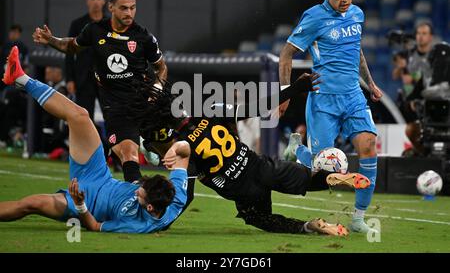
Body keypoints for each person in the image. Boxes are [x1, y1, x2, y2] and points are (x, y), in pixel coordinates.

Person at [134, 74, 371, 236]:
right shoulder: (211, 109)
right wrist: (296, 89)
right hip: (260, 165)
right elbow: (257, 108)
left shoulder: (183, 148)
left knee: (259, 218)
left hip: (243, 191)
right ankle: (333, 178)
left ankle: (310, 226)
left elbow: (187, 197)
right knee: (307, 178)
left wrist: (163, 224)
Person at [0, 46, 188, 233]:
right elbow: (185, 151)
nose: (137, 188)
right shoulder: (176, 197)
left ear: (149, 208)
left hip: (84, 204)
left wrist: (80, 205)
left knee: (31, 203)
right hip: (99, 175)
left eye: (141, 192)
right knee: (80, 115)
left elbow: (95, 226)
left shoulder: (137, 225)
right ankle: (19, 78)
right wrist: (174, 149)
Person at [278, 0, 382, 233]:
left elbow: (356, 52)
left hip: (353, 97)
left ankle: (358, 218)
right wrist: (285, 94)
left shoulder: (357, 15)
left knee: (369, 147)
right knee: (322, 170)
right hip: (324, 99)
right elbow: (286, 54)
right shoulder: (314, 17)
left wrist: (370, 83)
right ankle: (297, 151)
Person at [32, 0, 168, 183]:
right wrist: (51, 39)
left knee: (176, 149)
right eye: (124, 8)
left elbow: (161, 67)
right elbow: (72, 46)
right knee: (128, 154)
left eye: (133, 7)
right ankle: (135, 199)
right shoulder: (95, 30)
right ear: (111, 7)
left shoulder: (144, 37)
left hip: (142, 101)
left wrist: (156, 90)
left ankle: (147, 145)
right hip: (115, 106)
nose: (129, 12)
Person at [392, 22, 434, 156]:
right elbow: (395, 75)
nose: (420, 37)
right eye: (418, 33)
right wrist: (400, 67)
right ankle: (420, 153)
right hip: (409, 103)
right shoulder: (408, 54)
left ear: (430, 37)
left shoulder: (434, 56)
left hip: (427, 102)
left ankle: (425, 153)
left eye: (424, 33)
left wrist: (413, 78)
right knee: (410, 131)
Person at [65, 0, 107, 119]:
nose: (96, 1)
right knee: (84, 117)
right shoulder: (77, 24)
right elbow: (69, 53)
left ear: (104, 1)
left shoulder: (111, 24)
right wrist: (69, 79)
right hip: (83, 78)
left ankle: (112, 141)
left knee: (111, 116)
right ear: (87, 1)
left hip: (106, 78)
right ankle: (87, 141)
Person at [1, 24, 29, 91]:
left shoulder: (23, 47)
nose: (13, 34)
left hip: (17, 78)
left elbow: (26, 64)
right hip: (3, 77)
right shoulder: (5, 46)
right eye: (12, 32)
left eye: (15, 32)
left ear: (19, 34)